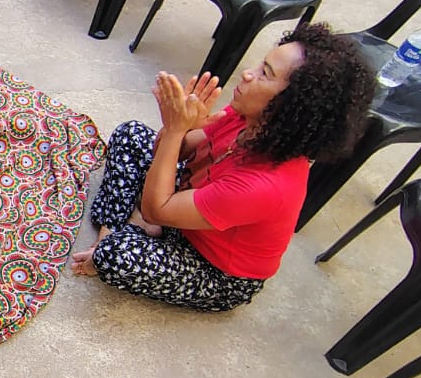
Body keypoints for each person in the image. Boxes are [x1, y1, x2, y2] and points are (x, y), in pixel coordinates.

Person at [71, 24, 373, 312]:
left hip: (212, 268)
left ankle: (122, 237)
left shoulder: (265, 186)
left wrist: (175, 131)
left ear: (291, 107)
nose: (248, 74)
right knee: (132, 135)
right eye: (261, 64)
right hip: (186, 206)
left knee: (116, 256)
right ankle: (110, 231)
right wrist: (180, 127)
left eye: (264, 74)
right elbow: (180, 150)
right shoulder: (249, 116)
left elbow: (156, 209)